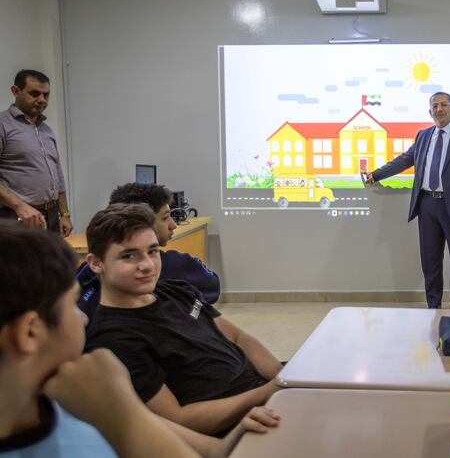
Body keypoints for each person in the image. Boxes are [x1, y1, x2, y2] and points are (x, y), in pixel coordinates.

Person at [0, 220, 280, 458]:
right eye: (73, 304)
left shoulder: (68, 398)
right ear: (30, 331)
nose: (84, 317)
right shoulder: (97, 397)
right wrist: (121, 411)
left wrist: (235, 439)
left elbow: (216, 451)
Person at [84, 203, 283, 436]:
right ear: (96, 263)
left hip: (268, 395)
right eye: (129, 256)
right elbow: (179, 419)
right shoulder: (112, 339)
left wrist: (283, 379)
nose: (147, 265)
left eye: (153, 251)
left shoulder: (176, 291)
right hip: (239, 426)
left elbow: (239, 337)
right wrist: (269, 392)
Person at [365, 91, 450, 309]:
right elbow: (404, 160)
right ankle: (433, 306)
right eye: (434, 106)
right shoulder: (423, 136)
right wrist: (376, 174)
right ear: (430, 112)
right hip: (427, 205)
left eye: (443, 105)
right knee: (430, 262)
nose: (439, 109)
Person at [77, 183, 221, 323]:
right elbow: (213, 287)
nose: (173, 224)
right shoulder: (177, 265)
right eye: (165, 217)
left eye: (152, 252)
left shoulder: (82, 274)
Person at [0, 70, 72, 236]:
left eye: (46, 95)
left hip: (51, 216)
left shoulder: (46, 130)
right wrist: (19, 206)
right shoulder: (3, 125)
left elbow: (58, 175)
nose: (42, 100)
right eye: (34, 94)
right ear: (16, 91)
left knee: (51, 262)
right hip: (16, 217)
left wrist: (64, 213)